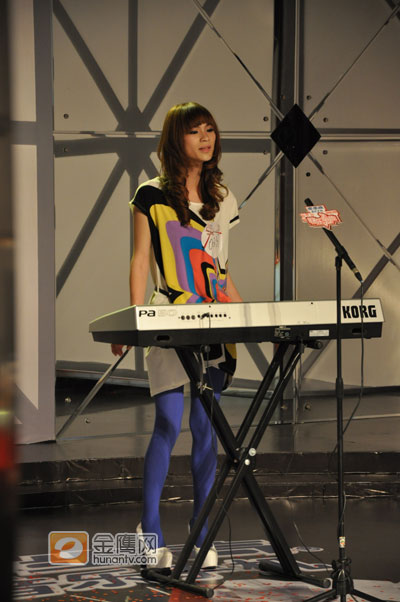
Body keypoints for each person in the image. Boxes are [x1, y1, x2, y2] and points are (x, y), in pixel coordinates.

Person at [112, 102, 242, 571]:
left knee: (207, 430)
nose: (206, 138)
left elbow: (220, 270)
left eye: (210, 129)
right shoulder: (149, 194)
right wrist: (134, 319)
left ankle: (201, 532)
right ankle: (149, 531)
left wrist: (248, 317)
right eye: (195, 131)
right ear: (175, 139)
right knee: (168, 423)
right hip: (170, 316)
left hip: (215, 323)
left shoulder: (223, 198)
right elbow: (140, 260)